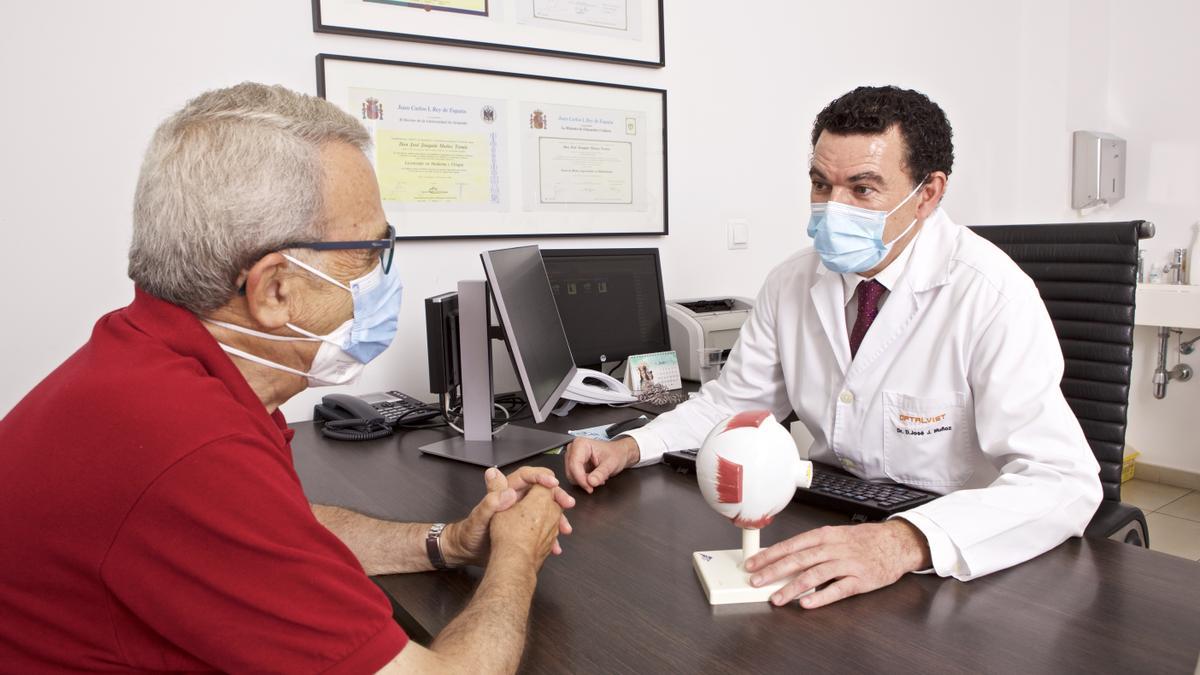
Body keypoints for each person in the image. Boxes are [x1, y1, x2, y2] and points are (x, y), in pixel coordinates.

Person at [0, 83, 574, 673]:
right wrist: (516, 557)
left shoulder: (153, 365)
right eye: (371, 252)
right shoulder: (189, 445)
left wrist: (449, 542)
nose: (382, 276)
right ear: (276, 288)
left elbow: (280, 536)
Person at [566, 85, 1102, 609]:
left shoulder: (990, 294)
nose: (832, 208)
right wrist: (631, 447)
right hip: (828, 512)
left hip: (954, 550)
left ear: (929, 194)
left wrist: (906, 541)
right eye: (822, 185)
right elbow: (735, 406)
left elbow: (1063, 480)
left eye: (862, 189)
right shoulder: (790, 282)